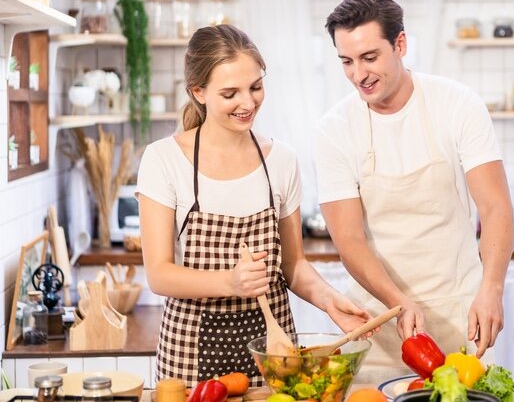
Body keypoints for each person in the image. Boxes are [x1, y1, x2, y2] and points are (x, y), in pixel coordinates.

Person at [137, 24, 372, 387]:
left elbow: (293, 265)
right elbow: (159, 274)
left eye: (256, 87)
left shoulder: (281, 160)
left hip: (274, 355)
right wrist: (230, 281)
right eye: (230, 93)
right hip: (188, 357)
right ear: (198, 92)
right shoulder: (164, 159)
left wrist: (329, 301)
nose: (248, 103)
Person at [315, 0, 514, 380]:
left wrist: (492, 288)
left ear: (400, 45)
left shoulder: (457, 104)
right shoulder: (334, 130)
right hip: (379, 320)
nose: (359, 74)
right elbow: (349, 241)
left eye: (370, 57)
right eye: (347, 61)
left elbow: (495, 208)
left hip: (460, 315)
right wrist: (398, 302)